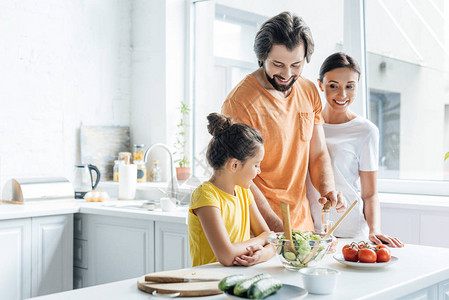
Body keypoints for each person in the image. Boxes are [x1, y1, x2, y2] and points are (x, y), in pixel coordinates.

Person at [222, 12, 346, 232]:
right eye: (278, 64)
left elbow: (317, 154)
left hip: (302, 226)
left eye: (296, 65)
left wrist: (328, 190)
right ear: (262, 58)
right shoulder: (240, 103)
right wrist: (278, 229)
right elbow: (240, 177)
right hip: (257, 230)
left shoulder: (308, 91)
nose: (287, 75)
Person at [306, 52, 403, 247]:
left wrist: (375, 230)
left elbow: (369, 193)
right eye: (333, 86)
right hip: (309, 230)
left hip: (349, 231)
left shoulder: (366, 131)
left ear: (357, 85)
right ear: (320, 85)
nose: (342, 95)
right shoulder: (307, 124)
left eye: (350, 86)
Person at [188, 113, 276, 267]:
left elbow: (273, 242)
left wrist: (261, 255)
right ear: (234, 165)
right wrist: (261, 240)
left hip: (238, 277)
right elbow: (227, 255)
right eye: (256, 165)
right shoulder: (206, 196)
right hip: (208, 283)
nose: (259, 171)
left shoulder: (244, 193)